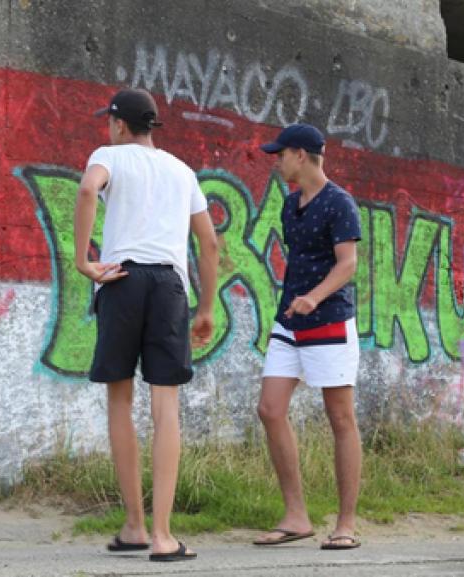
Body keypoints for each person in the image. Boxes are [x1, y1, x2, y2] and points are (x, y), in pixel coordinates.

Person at [74, 88, 219, 562]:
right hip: (169, 286)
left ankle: (134, 524)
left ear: (118, 124)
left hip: (121, 278)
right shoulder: (183, 171)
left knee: (120, 399)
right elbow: (209, 244)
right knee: (166, 407)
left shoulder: (109, 156)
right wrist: (206, 308)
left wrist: (83, 260)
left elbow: (87, 188)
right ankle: (161, 536)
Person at [253, 124, 364, 550]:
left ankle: (346, 524)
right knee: (270, 408)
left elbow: (348, 264)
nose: (276, 162)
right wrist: (296, 304)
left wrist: (314, 298)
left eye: (279, 155)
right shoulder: (289, 203)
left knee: (340, 418)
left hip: (330, 321)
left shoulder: (340, 203)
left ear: (300, 155)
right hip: (290, 322)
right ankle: (296, 516)